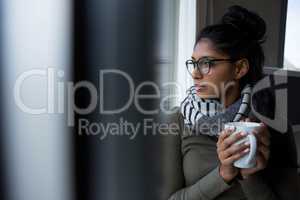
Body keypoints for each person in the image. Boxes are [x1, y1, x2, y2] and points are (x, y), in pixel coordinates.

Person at [166, 5, 300, 200]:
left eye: (206, 64)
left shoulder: (272, 124)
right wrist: (223, 174)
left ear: (239, 69)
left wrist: (248, 174)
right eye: (193, 63)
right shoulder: (176, 122)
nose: (195, 74)